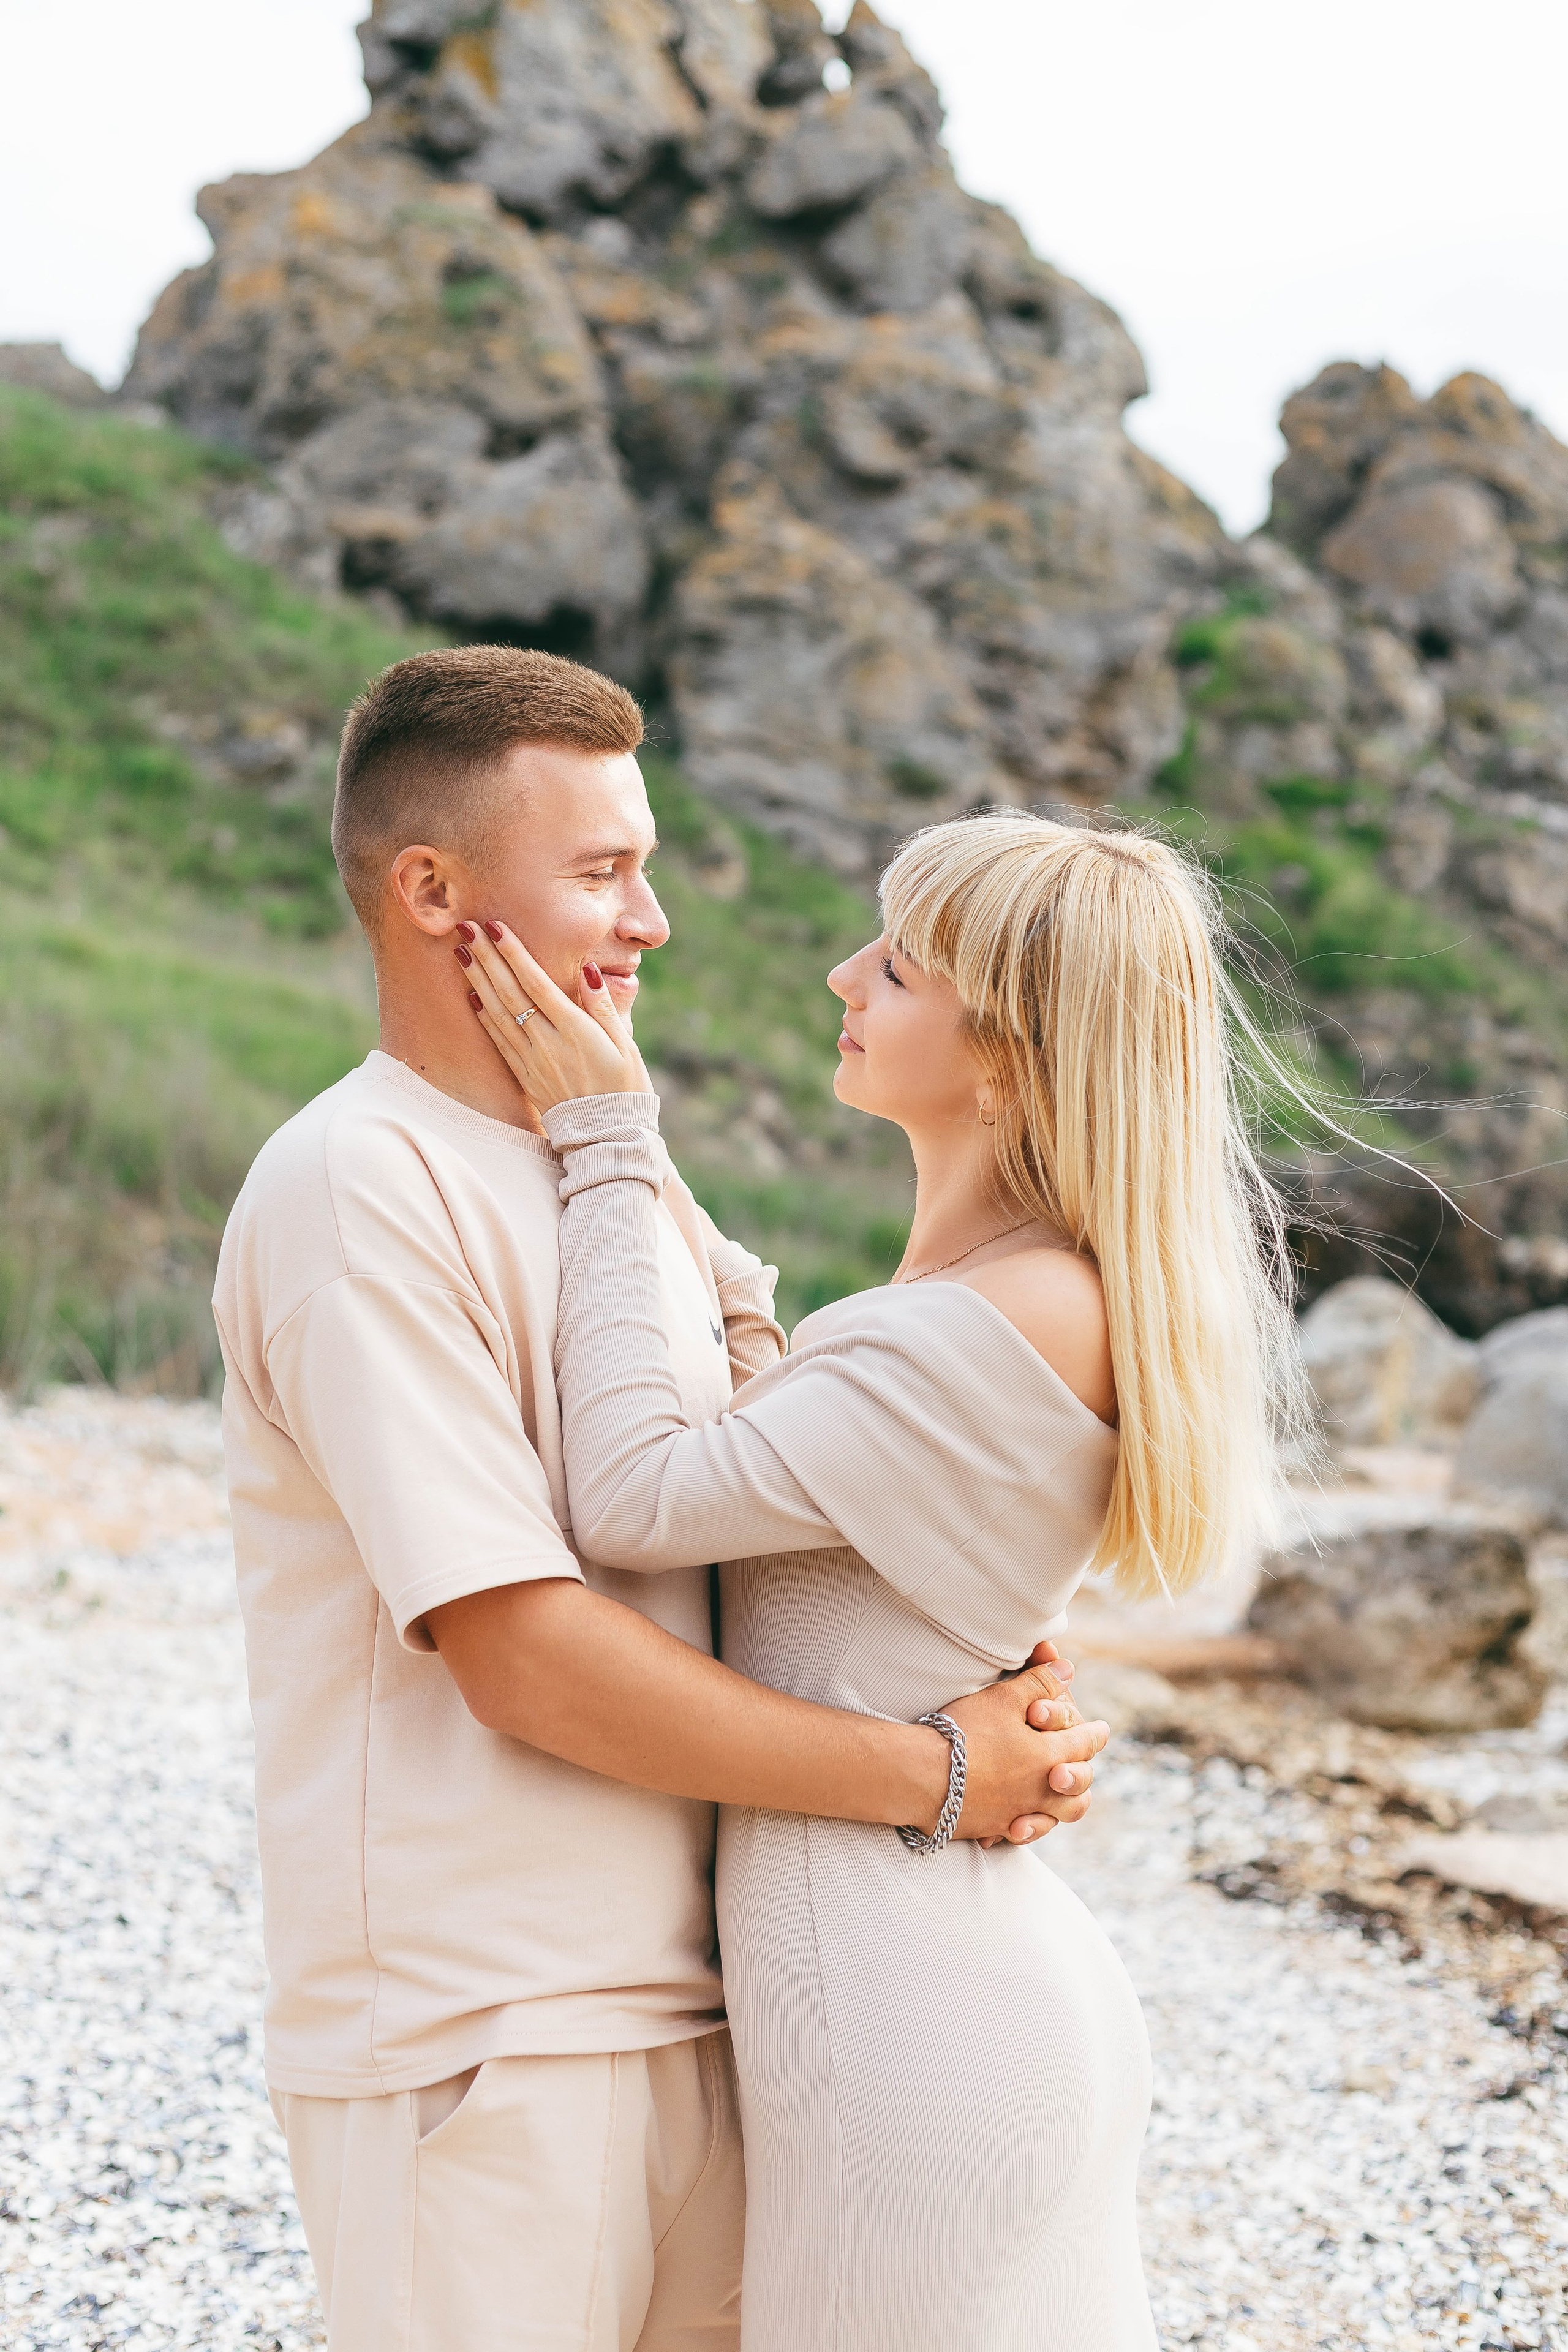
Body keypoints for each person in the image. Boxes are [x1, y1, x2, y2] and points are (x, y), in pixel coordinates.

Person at [212, 649, 1106, 2352]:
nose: (654, 923)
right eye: (603, 872)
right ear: (433, 895)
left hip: (717, 2014)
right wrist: (938, 1775)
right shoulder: (356, 1187)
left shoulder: (607, 1169)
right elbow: (526, 1656)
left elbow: (773, 1499)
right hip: (484, 2037)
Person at [458, 808, 1300, 2352]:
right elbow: (779, 1450)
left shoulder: (990, 1319)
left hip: (904, 2009)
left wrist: (604, 1139)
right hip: (940, 1981)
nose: (845, 974)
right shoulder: (995, 1298)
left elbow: (637, 1494)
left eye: (899, 964)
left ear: (1006, 1051)